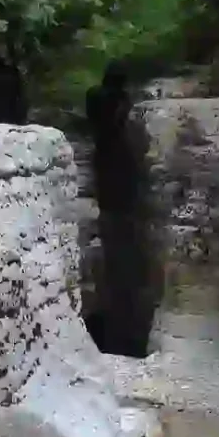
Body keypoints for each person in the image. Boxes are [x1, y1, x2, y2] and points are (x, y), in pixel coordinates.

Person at [85, 63, 159, 357]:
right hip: (122, 185)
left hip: (107, 177)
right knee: (124, 256)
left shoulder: (94, 97)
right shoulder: (116, 108)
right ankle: (123, 336)